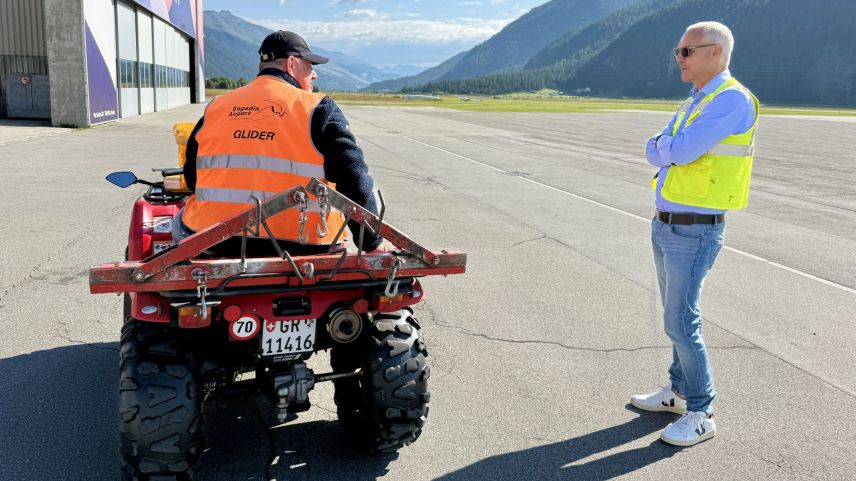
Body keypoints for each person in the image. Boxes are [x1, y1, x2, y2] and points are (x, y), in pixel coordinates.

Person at [631, 21, 759, 447]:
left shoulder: (731, 100)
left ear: (715, 53)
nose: (678, 59)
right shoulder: (696, 101)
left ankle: (702, 411)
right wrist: (667, 145)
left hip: (695, 230)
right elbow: (657, 145)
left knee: (681, 320)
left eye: (686, 52)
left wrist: (667, 146)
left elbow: (676, 149)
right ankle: (678, 392)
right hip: (667, 223)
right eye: (678, 51)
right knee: (674, 316)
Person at [174, 30, 384, 256]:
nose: (314, 75)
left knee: (176, 219)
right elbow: (353, 176)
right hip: (302, 245)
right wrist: (372, 242)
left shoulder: (217, 106)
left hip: (214, 240)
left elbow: (193, 177)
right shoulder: (317, 108)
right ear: (292, 64)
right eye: (310, 66)